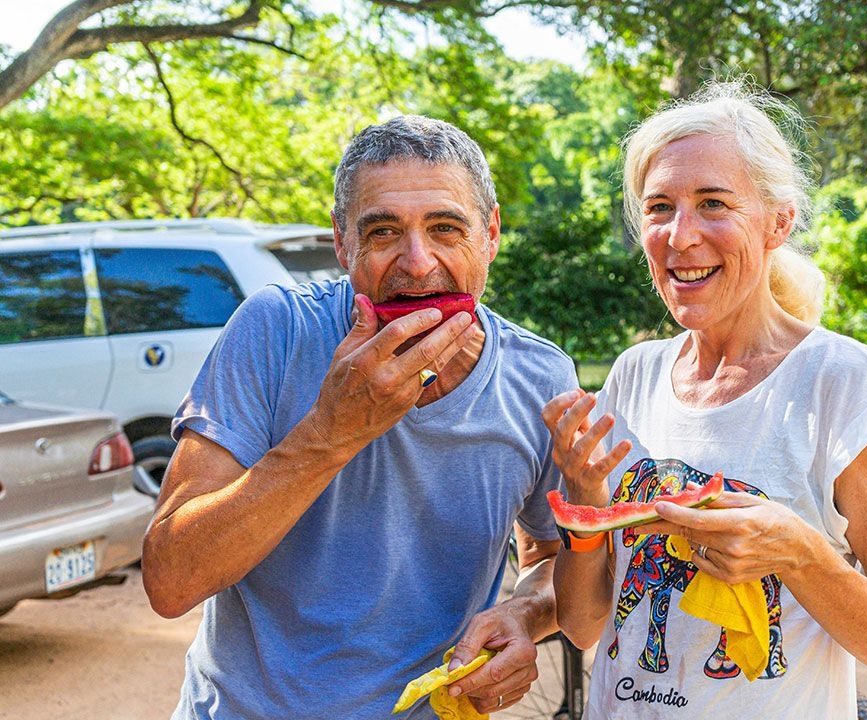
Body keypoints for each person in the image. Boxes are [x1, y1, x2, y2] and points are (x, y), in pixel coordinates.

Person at [140, 116, 576, 719]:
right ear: (343, 244)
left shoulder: (539, 378)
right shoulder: (276, 330)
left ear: (491, 234)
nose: (418, 263)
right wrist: (330, 432)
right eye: (383, 232)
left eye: (446, 229)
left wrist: (524, 614)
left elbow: (554, 558)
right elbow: (171, 580)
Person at [541, 83, 867, 719]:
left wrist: (800, 554)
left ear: (780, 220)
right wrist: (585, 503)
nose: (681, 235)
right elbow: (585, 626)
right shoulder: (633, 375)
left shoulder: (841, 382)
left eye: (713, 204)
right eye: (659, 207)